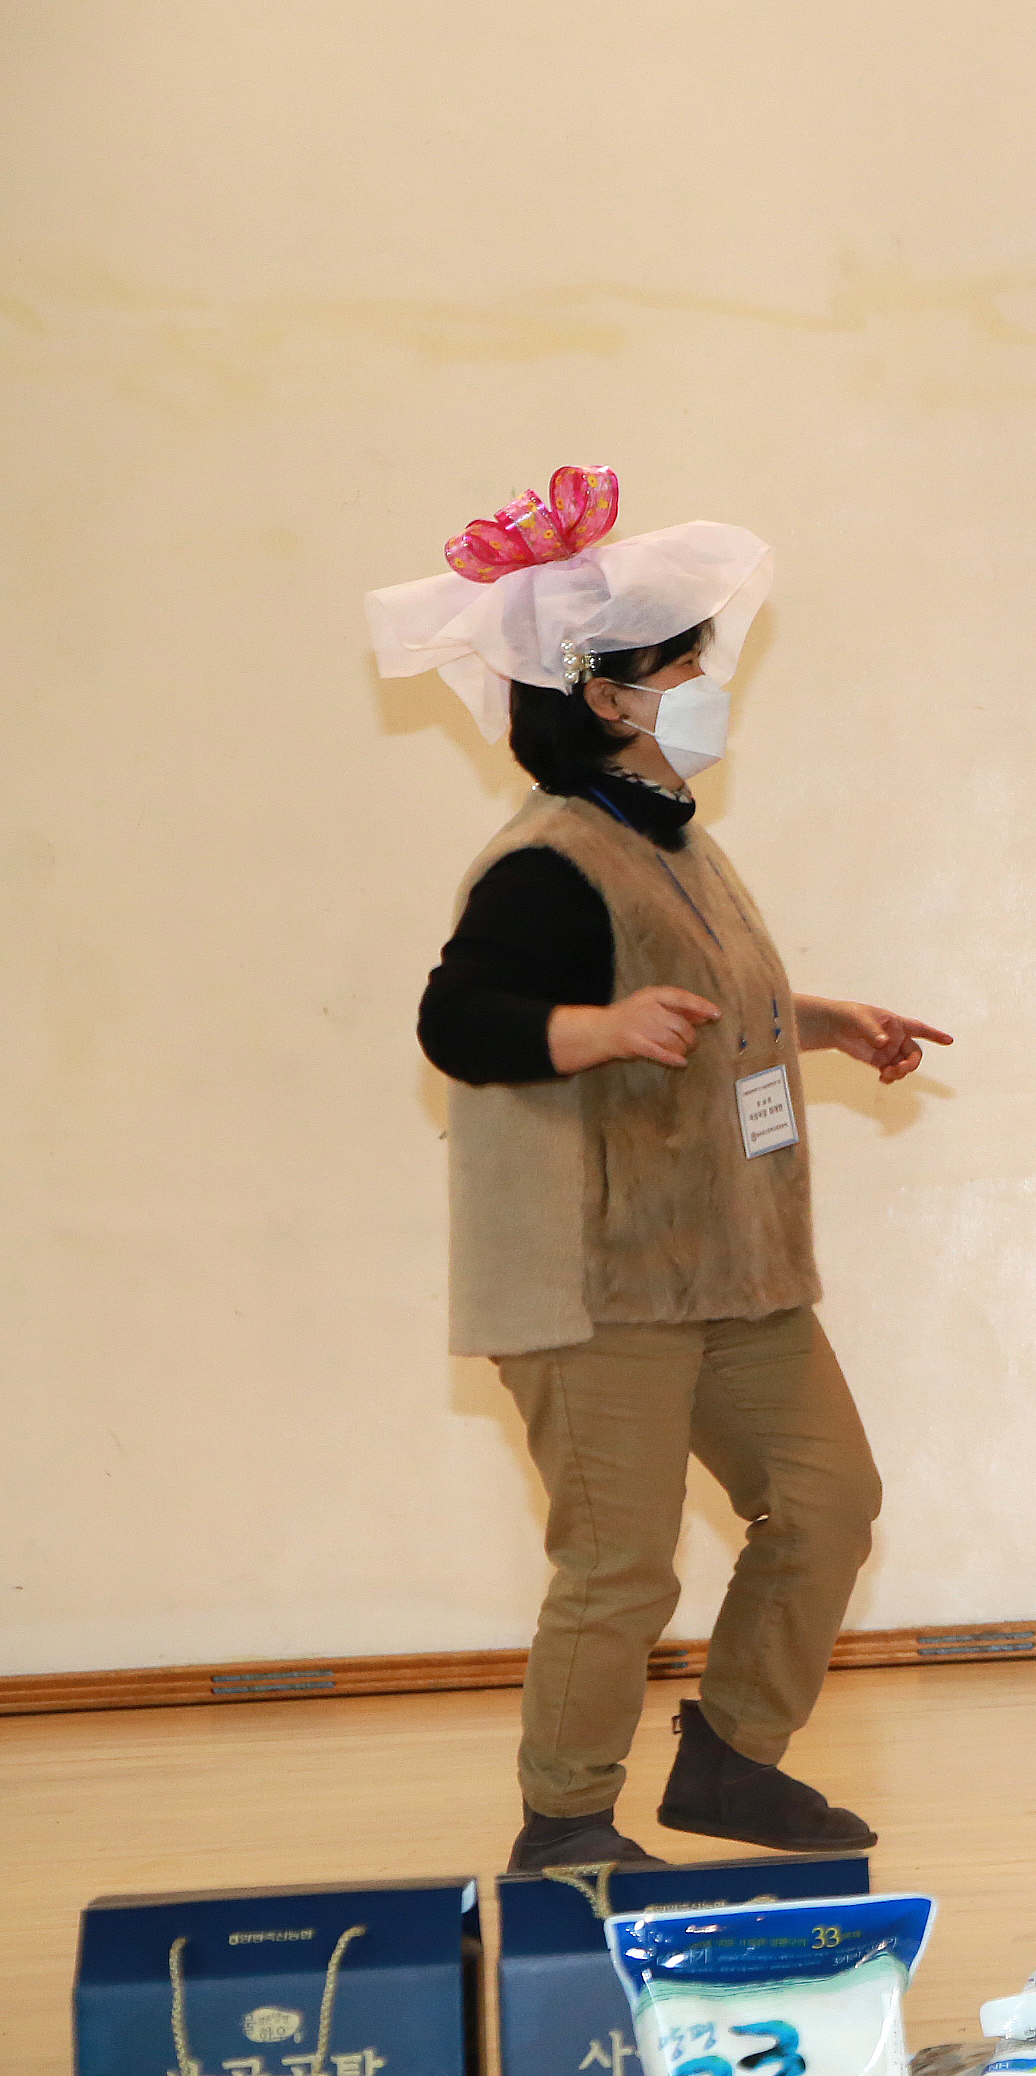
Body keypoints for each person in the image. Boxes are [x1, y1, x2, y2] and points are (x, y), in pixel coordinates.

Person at [370, 467, 954, 1873]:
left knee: (826, 1501)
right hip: (597, 1284)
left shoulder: (672, 837)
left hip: (732, 1268)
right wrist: (594, 1030)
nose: (707, 682)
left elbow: (690, 1004)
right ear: (608, 697)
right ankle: (567, 1822)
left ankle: (734, 1760)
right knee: (621, 1565)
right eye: (682, 665)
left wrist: (819, 1019)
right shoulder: (545, 860)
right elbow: (459, 1020)